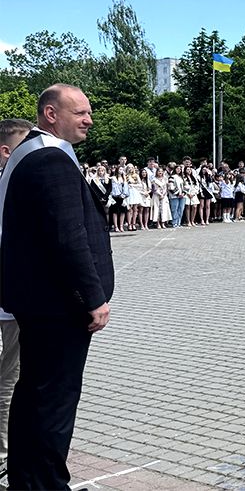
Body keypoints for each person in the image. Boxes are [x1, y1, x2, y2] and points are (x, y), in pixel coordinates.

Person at [0, 85, 115, 490]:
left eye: (89, 112)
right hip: (57, 307)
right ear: (51, 114)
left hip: (40, 303)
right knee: (53, 401)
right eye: (80, 112)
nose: (89, 119)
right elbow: (68, 236)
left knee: (33, 395)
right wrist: (93, 297)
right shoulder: (49, 159)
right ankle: (45, 483)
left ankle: (28, 480)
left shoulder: (30, 153)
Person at [0, 118, 34, 471]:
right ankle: (3, 460)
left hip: (16, 299)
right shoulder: (8, 186)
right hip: (10, 302)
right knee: (10, 380)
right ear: (7, 151)